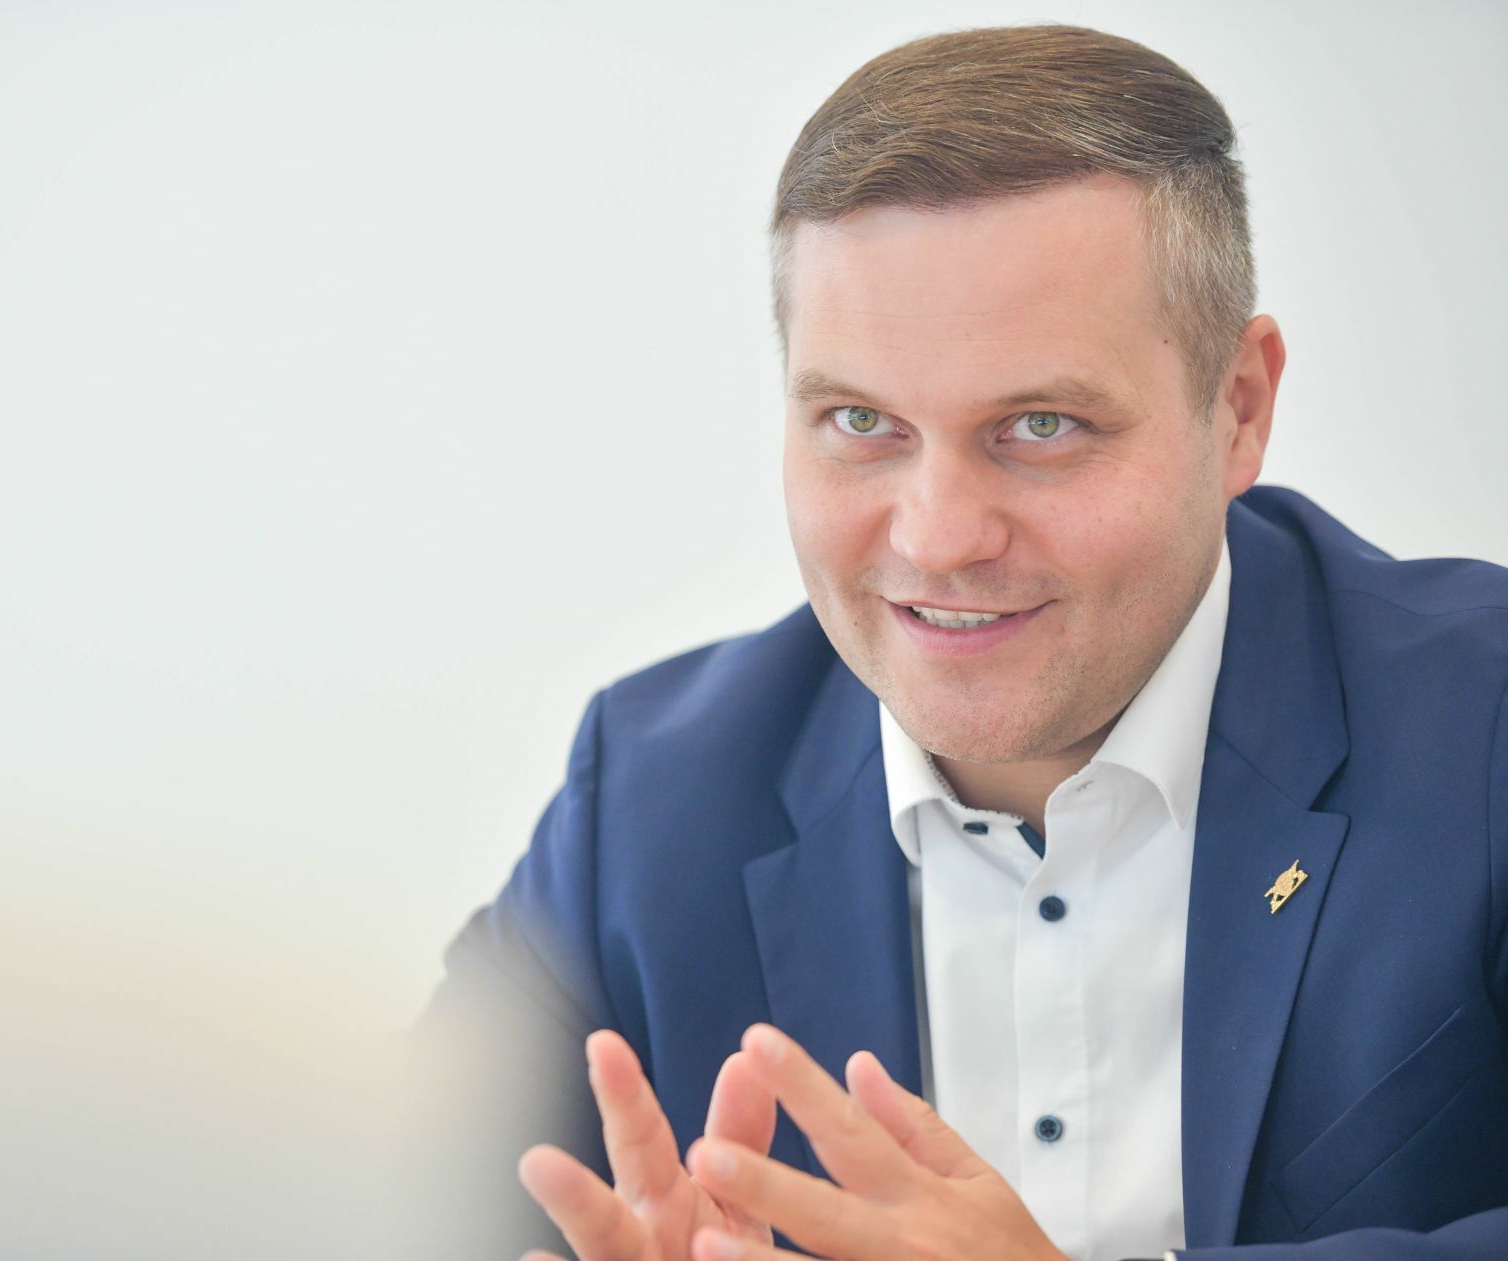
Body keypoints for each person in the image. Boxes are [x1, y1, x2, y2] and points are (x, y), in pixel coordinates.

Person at [417, 22, 1508, 1261]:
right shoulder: (649, 799)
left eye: (1039, 425)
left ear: (1239, 409)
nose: (937, 538)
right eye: (860, 421)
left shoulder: (1483, 727)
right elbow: (361, 1207)